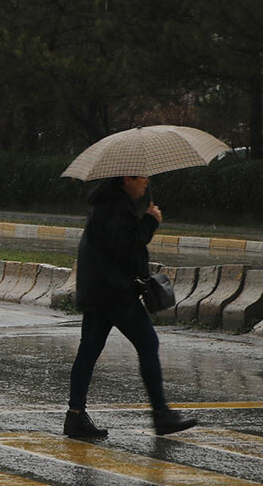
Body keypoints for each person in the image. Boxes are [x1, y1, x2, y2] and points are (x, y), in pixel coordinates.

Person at [65, 176, 197, 438]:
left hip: (98, 290)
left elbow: (117, 244)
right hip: (113, 292)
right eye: (142, 178)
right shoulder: (115, 207)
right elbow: (125, 246)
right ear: (127, 179)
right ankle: (161, 415)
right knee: (147, 343)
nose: (146, 183)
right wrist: (150, 221)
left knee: (88, 351)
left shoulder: (108, 204)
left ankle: (75, 417)